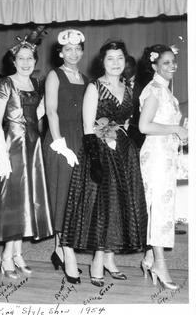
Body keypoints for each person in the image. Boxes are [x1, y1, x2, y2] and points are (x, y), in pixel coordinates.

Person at [60, 39, 148, 287]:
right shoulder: (95, 87)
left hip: (123, 151)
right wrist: (96, 158)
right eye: (111, 58)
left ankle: (109, 260)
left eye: (120, 58)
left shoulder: (129, 88)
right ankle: (97, 262)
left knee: (120, 206)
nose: (116, 63)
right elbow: (88, 127)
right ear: (103, 62)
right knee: (104, 208)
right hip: (99, 150)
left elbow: (128, 123)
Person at [0, 29, 53, 280]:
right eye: (20, 58)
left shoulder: (37, 83)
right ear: (13, 60)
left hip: (33, 147)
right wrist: (4, 157)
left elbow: (38, 114)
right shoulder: (5, 83)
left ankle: (18, 254)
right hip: (12, 147)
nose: (25, 62)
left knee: (26, 201)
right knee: (13, 202)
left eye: (30, 58)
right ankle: (6, 256)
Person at [138, 44, 188, 290]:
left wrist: (180, 135)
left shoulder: (166, 91)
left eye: (173, 62)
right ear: (154, 65)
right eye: (166, 62)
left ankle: (149, 257)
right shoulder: (155, 89)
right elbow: (144, 126)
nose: (172, 66)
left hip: (165, 155)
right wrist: (176, 129)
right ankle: (159, 262)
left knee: (162, 207)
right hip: (156, 155)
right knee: (157, 208)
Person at [43, 29, 88, 284]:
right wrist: (60, 144)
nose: (73, 53)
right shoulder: (54, 74)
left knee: (74, 196)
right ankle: (69, 255)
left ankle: (60, 249)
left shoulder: (86, 78)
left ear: (82, 51)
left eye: (77, 48)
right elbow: (51, 110)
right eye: (67, 49)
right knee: (63, 195)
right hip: (60, 140)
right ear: (60, 52)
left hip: (80, 139)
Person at [124, 55, 146, 149]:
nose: (125, 70)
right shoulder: (116, 84)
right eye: (123, 67)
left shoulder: (144, 84)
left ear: (134, 68)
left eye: (128, 67)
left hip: (138, 133)